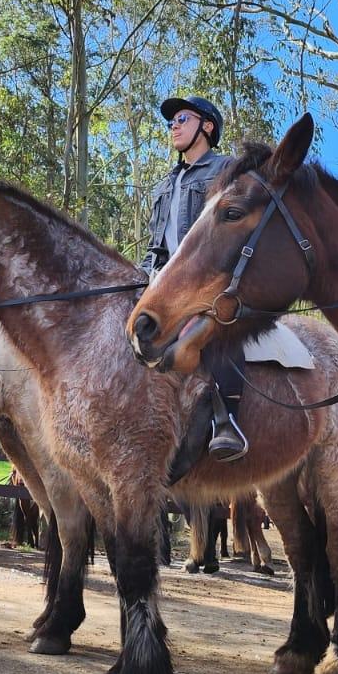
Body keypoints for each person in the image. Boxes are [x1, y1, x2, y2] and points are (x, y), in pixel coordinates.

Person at [140, 94, 248, 467]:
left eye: (182, 118)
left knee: (222, 324)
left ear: (207, 126)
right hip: (162, 280)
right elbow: (156, 243)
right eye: (172, 121)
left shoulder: (226, 170)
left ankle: (226, 419)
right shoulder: (165, 183)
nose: (174, 125)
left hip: (205, 280)